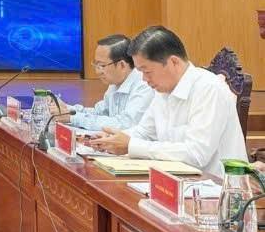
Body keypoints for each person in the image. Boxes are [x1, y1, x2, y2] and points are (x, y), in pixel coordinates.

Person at [88, 26, 247, 178]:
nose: (144, 79)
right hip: (177, 180)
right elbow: (144, 132)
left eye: (147, 71)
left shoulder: (209, 89)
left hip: (215, 187)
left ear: (173, 62)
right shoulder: (163, 90)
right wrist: (112, 140)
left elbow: (196, 154)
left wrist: (131, 145)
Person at [51, 34, 154, 130]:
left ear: (122, 65)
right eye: (96, 64)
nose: (97, 71)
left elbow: (125, 124)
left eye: (102, 65)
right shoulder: (115, 82)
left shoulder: (144, 84)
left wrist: (72, 118)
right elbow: (100, 112)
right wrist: (67, 109)